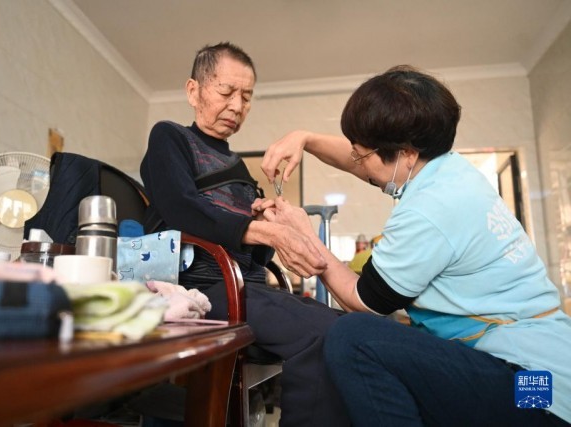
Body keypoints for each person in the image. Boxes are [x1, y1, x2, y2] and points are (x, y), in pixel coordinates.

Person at [258, 65, 571, 426]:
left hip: (536, 393)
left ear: (405, 152)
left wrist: (305, 236)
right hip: (552, 373)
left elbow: (364, 302)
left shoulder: (429, 208)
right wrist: (306, 138)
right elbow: (367, 162)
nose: (359, 165)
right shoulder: (449, 172)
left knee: (353, 337)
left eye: (362, 155)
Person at [140, 42, 349, 427]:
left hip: (247, 288)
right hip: (202, 289)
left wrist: (269, 221)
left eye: (247, 97)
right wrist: (262, 231)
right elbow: (181, 208)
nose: (237, 106)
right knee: (320, 337)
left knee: (349, 330)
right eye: (226, 91)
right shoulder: (169, 137)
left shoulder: (238, 167)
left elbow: (254, 256)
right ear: (193, 91)